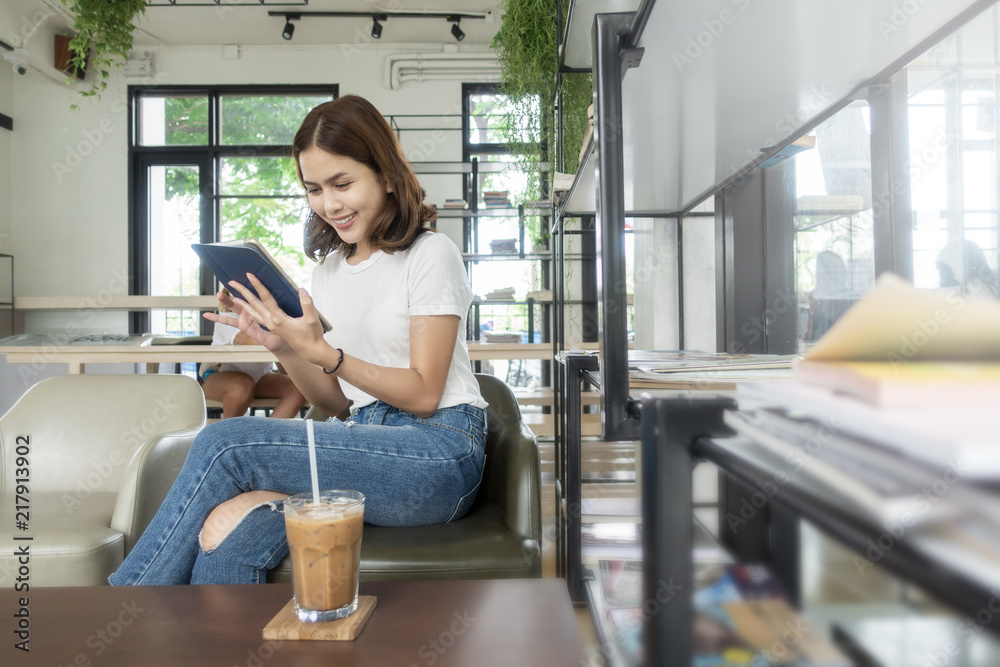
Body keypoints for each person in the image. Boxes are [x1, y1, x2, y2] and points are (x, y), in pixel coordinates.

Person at [109, 95, 487, 586]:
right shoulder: (327, 272)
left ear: (387, 176)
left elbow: (423, 394)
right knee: (229, 536)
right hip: (366, 439)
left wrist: (326, 353)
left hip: (438, 451)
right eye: (314, 188)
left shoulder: (431, 253)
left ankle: (121, 607)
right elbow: (334, 401)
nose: (329, 204)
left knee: (227, 442)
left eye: (342, 183)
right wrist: (283, 346)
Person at [199, 288, 306, 419]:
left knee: (298, 387)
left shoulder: (267, 322)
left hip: (259, 377)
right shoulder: (227, 318)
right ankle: (231, 435)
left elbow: (284, 370)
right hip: (217, 377)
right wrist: (286, 333)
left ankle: (264, 435)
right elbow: (250, 340)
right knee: (242, 385)